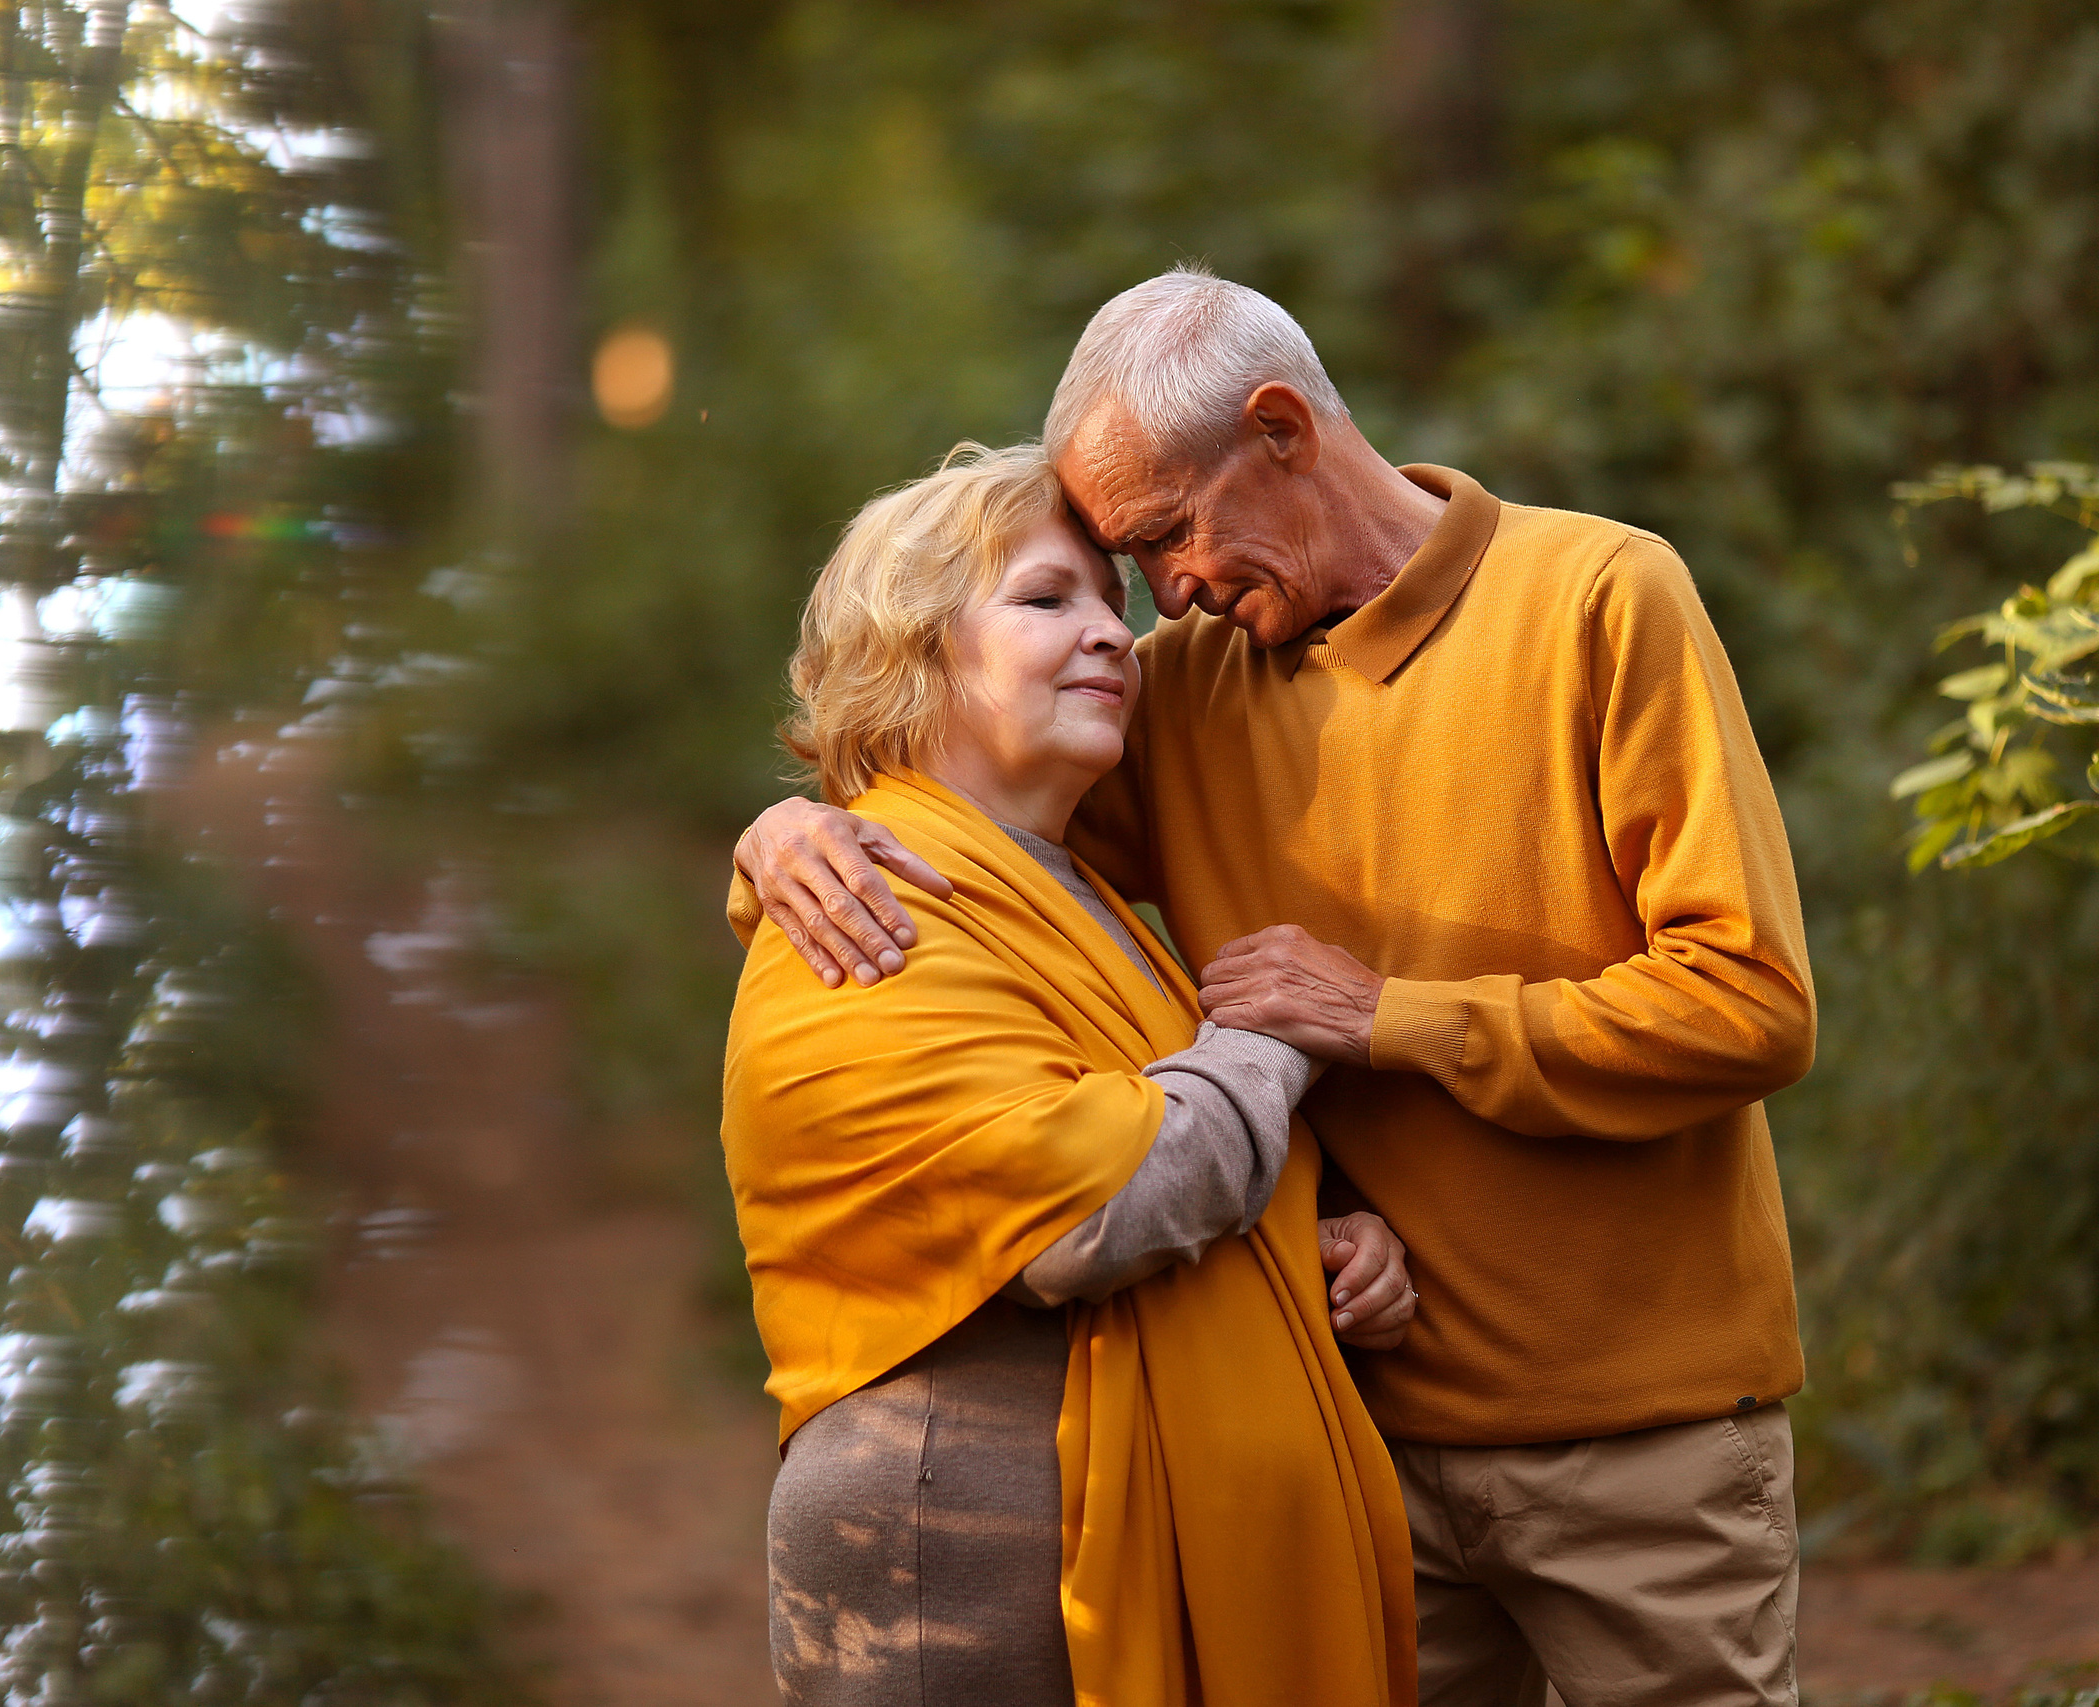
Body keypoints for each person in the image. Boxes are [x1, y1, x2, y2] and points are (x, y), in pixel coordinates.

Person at [732, 268, 1819, 1707]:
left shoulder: (1599, 598)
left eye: (1166, 534)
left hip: (1641, 1434)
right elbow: (979, 851)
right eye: (1127, 566)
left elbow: (1750, 1001)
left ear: (1284, 429)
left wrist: (1389, 1014)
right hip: (1358, 1438)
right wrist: (791, 832)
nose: (1162, 593)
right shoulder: (1180, 689)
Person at [721, 441, 1421, 1707]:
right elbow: (1093, 1204)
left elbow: (1150, 1122)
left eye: (1112, 599)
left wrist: (1313, 1236)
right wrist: (1274, 1029)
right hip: (954, 1554)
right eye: (1047, 601)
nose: (1112, 634)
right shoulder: (870, 906)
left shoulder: (1064, 889)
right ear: (911, 652)